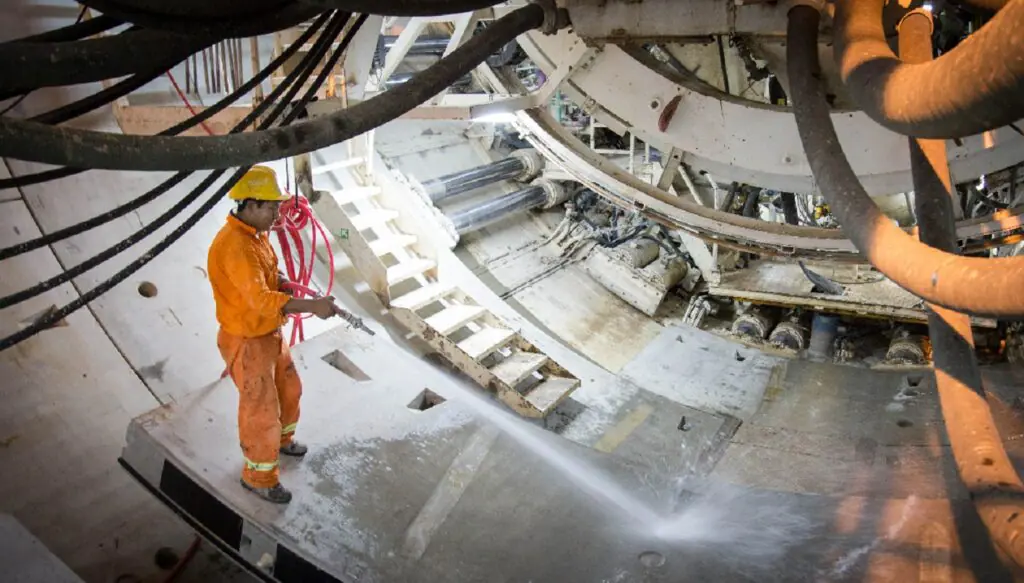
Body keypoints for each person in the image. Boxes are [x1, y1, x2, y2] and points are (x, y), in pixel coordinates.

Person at [207, 165, 346, 504]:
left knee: (289, 388)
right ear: (250, 205)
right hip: (247, 339)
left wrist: (283, 280)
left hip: (267, 335)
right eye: (272, 207)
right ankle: (258, 477)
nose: (277, 214)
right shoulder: (236, 246)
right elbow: (261, 299)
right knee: (260, 410)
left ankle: (282, 443)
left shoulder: (256, 236)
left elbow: (269, 275)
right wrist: (311, 307)